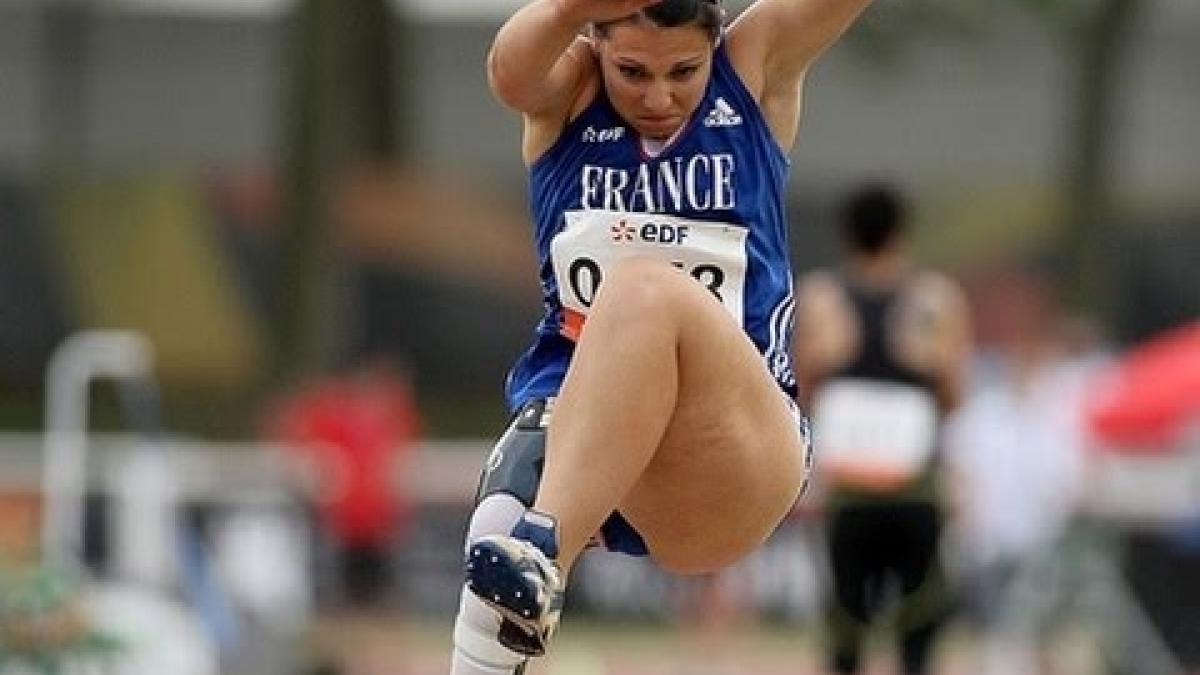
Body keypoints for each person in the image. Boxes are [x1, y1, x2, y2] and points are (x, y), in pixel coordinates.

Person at [449, 1, 874, 673]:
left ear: (713, 45)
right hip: (588, 437)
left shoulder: (752, 71)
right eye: (632, 71)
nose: (659, 96)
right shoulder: (570, 95)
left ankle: (542, 539)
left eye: (684, 70)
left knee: (643, 291)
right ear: (594, 43)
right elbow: (509, 72)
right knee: (492, 537)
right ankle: (526, 560)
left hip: (728, 450)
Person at [793, 184, 970, 675]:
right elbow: (956, 397)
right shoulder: (934, 301)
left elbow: (803, 388)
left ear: (847, 236)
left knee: (846, 620)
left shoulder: (823, 300)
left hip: (849, 490)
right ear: (902, 235)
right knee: (919, 622)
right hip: (913, 487)